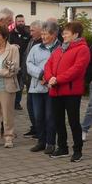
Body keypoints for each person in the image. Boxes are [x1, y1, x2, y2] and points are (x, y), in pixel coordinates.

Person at [43, 21, 89, 162]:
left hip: (71, 92)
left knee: (73, 121)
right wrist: (50, 77)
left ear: (75, 34)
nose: (64, 35)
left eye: (67, 33)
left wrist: (57, 79)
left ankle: (78, 150)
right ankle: (62, 147)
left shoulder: (82, 49)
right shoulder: (59, 49)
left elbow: (77, 69)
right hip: (56, 91)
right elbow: (48, 65)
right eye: (63, 33)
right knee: (58, 121)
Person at [26, 20, 60, 154]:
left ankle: (51, 142)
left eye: (47, 34)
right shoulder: (35, 48)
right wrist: (41, 75)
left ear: (54, 35)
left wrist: (49, 78)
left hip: (52, 88)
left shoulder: (60, 48)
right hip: (36, 88)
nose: (44, 37)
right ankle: (41, 141)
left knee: (50, 116)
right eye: (43, 34)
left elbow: (61, 67)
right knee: (38, 116)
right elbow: (29, 64)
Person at [0, 25, 21, 148]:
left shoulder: (13, 49)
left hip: (7, 87)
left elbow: (13, 70)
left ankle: (8, 137)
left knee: (7, 114)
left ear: (5, 36)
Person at [21, 21, 43, 137]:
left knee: (36, 107)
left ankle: (40, 130)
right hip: (29, 80)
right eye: (30, 30)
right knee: (30, 106)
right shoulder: (31, 41)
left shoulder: (41, 44)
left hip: (37, 80)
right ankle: (35, 127)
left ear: (40, 30)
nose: (30, 33)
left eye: (33, 30)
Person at [9, 14, 31, 111]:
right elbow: (6, 46)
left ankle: (17, 103)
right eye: (19, 21)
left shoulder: (28, 35)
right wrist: (12, 46)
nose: (21, 23)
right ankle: (10, 102)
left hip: (24, 63)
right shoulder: (10, 34)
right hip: (12, 63)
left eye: (22, 21)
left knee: (20, 84)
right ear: (15, 22)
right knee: (12, 83)